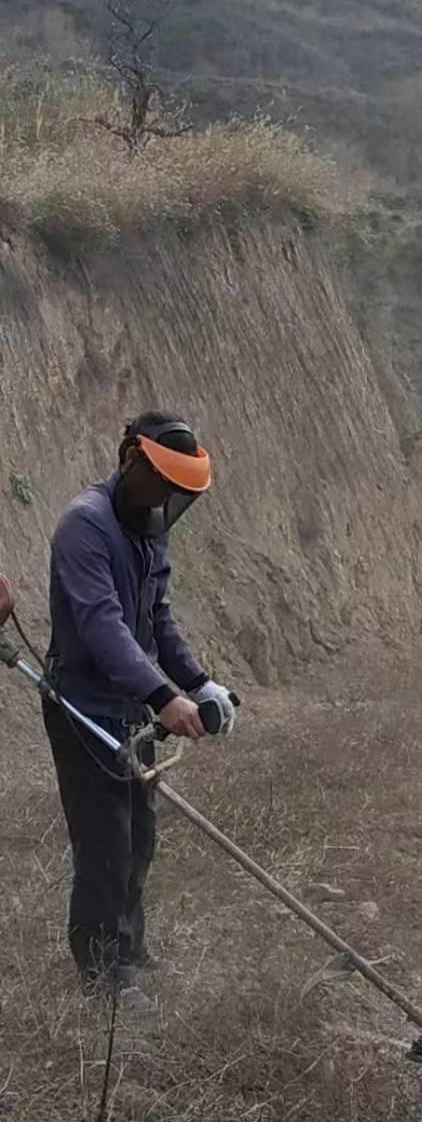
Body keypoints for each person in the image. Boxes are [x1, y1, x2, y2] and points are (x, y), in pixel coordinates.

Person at [44, 412, 237, 1001]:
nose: (165, 500)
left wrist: (200, 685)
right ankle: (103, 974)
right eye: (159, 484)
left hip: (132, 709)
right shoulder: (86, 527)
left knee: (140, 836)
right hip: (85, 707)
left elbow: (156, 620)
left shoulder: (150, 528)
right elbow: (104, 629)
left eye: (176, 494)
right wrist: (164, 696)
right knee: (105, 841)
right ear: (130, 457)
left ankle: (129, 948)